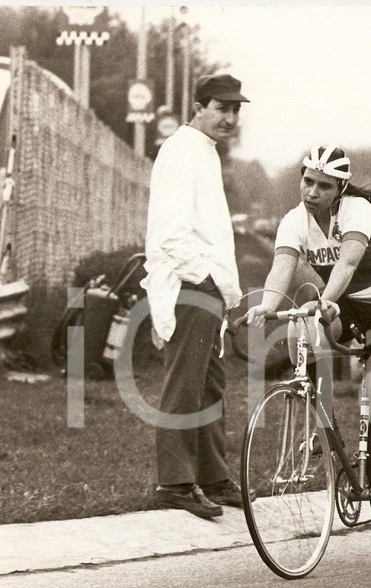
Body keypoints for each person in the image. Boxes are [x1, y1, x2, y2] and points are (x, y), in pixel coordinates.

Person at [247, 145, 371, 542]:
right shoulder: (294, 220)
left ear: (340, 188)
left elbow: (346, 262)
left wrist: (327, 299)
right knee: (299, 329)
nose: (312, 192)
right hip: (344, 302)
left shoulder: (358, 210)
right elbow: (282, 267)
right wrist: (267, 306)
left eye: (323, 186)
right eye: (307, 181)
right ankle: (327, 434)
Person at [141, 74, 249, 520]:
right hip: (190, 284)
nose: (229, 117)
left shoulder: (203, 151)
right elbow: (171, 230)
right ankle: (175, 482)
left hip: (207, 285)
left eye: (235, 109)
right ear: (199, 107)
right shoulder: (181, 150)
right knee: (185, 383)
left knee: (210, 384)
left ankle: (213, 476)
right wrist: (201, 279)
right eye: (221, 108)